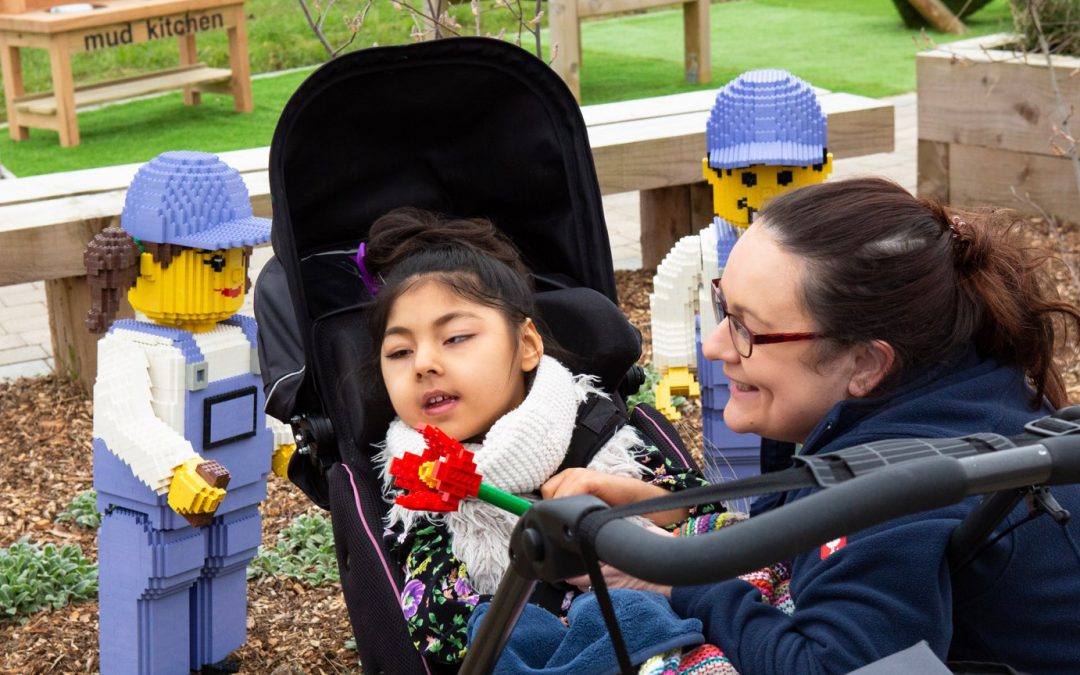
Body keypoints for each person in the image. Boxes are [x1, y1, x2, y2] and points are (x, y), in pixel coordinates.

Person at [545, 177, 1080, 674]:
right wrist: (671, 510)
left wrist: (676, 577)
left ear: (867, 365)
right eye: (722, 306)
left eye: (746, 328)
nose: (714, 346)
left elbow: (827, 666)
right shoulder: (969, 388)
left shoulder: (901, 492)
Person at [361, 207, 716, 669]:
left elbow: (708, 514)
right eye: (400, 351)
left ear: (527, 345)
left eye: (456, 338)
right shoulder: (420, 486)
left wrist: (616, 492)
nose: (423, 364)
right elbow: (437, 622)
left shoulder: (591, 427)